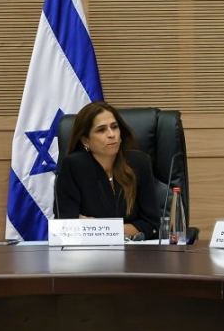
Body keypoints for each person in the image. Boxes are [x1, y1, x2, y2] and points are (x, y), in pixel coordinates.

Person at [55, 101, 159, 240]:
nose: (111, 134)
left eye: (114, 127)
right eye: (101, 130)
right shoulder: (73, 167)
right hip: (88, 251)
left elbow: (152, 225)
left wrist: (97, 227)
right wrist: (125, 229)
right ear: (85, 140)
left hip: (135, 250)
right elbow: (66, 224)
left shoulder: (139, 163)